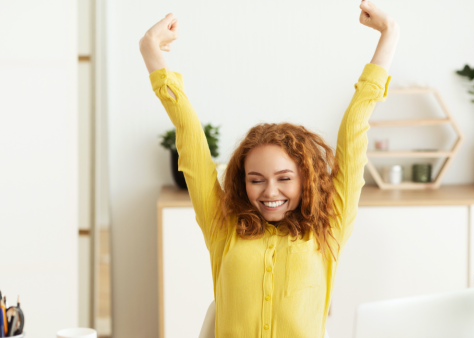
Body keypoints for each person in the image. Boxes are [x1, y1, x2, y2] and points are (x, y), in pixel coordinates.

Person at [139, 2, 398, 337]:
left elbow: (355, 127)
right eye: (256, 179)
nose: (270, 191)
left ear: (306, 179)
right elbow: (190, 141)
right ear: (242, 181)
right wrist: (152, 54)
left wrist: (389, 34)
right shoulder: (223, 226)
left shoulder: (328, 226)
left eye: (285, 178)